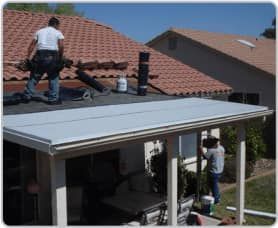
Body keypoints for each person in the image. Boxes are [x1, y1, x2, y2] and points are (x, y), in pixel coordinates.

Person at [23, 17, 64, 105]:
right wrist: (60, 58)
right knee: (53, 78)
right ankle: (53, 100)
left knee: (34, 76)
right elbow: (61, 46)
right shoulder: (58, 32)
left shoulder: (39, 31)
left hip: (39, 56)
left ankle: (26, 96)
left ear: (49, 23)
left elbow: (31, 45)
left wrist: (28, 58)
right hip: (52, 57)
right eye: (58, 26)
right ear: (56, 24)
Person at [199, 136, 225, 204]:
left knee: (213, 187)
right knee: (215, 185)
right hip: (220, 170)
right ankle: (217, 197)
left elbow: (205, 157)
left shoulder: (211, 151)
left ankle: (216, 200)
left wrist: (201, 148)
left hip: (213, 171)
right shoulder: (221, 148)